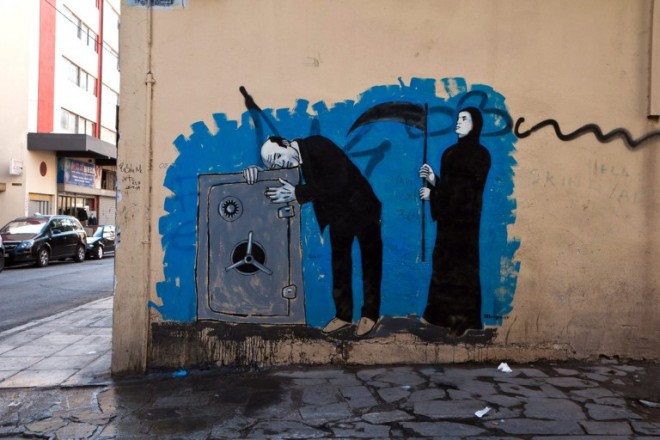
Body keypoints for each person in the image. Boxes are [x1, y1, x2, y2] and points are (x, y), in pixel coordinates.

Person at [244, 136, 382, 336]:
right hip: (339, 216)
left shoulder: (317, 145)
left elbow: (338, 179)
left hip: (363, 209)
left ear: (286, 143)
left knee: (370, 263)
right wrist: (255, 172)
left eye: (277, 157)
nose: (279, 164)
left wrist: (298, 193)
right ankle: (343, 316)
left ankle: (369, 315)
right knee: (340, 265)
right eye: (273, 164)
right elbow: (277, 181)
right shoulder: (293, 161)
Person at [418, 107, 491, 337]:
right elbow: (451, 188)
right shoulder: (448, 153)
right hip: (447, 225)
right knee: (443, 267)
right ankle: (438, 316)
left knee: (462, 270)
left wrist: (433, 195)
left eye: (464, 119)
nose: (458, 122)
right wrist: (434, 179)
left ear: (475, 125)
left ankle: (463, 321)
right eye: (458, 118)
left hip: (465, 224)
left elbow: (465, 193)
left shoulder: (480, 156)